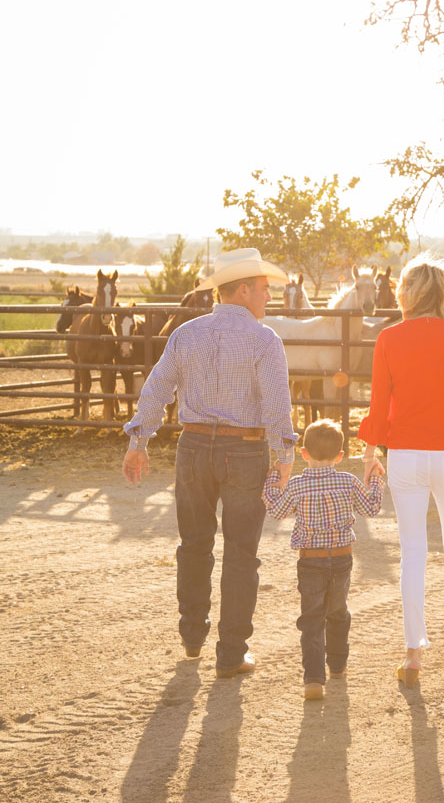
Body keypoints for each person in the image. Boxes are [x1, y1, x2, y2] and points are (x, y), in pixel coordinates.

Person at [121, 247, 297, 679]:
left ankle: (192, 636)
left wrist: (138, 440)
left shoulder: (187, 334)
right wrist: (285, 455)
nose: (268, 298)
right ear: (242, 290)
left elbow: (157, 386)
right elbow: (277, 404)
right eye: (263, 290)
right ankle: (232, 653)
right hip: (244, 450)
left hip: (194, 448)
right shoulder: (264, 339)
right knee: (241, 552)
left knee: (194, 543)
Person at [357, 254, 444, 686]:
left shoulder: (389, 338)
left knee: (412, 551)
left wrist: (369, 453)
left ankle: (413, 654)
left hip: (405, 457)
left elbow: (379, 405)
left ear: (406, 293)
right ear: (443, 294)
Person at [262, 418, 385, 700]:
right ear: (340, 456)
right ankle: (338, 666)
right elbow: (371, 508)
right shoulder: (348, 481)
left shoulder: (296, 486)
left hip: (310, 561)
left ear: (303, 453)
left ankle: (313, 679)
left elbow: (277, 512)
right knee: (338, 612)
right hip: (342, 559)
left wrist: (273, 477)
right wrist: (376, 477)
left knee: (312, 618)